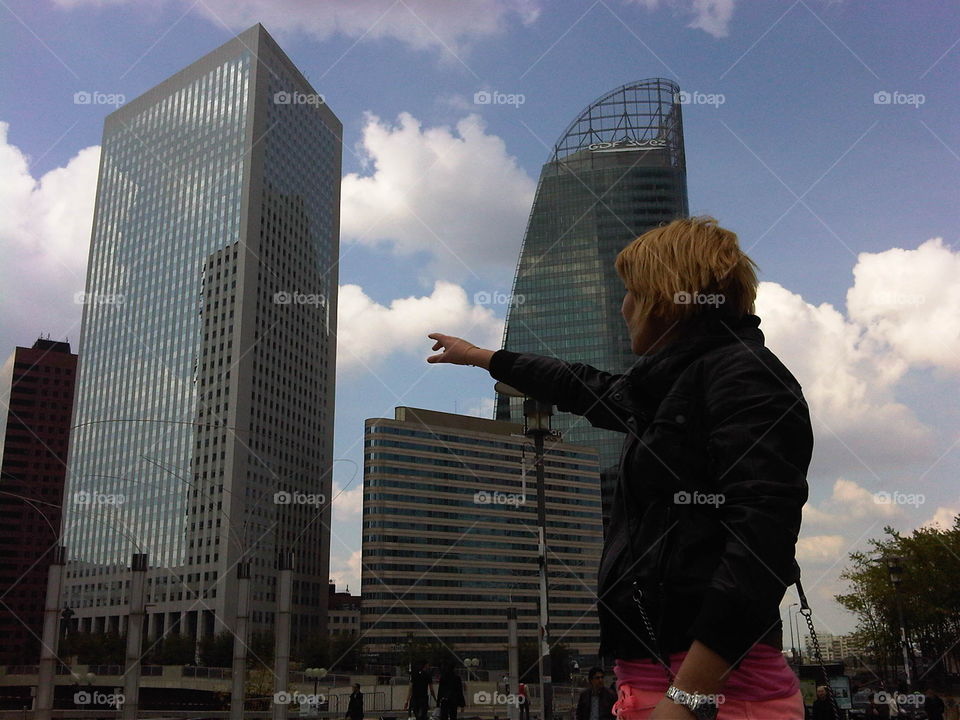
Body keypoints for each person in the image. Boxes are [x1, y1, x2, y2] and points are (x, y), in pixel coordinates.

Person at [427, 217, 812, 720]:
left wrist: (688, 700)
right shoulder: (671, 385)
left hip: (720, 695)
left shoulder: (746, 377)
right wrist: (483, 357)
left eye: (631, 291)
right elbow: (584, 387)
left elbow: (761, 546)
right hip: (657, 681)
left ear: (665, 298)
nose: (623, 306)